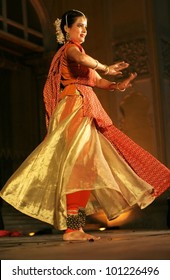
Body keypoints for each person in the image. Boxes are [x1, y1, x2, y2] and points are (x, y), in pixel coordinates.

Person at [0, 9, 170, 241]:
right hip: (73, 108)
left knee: (85, 168)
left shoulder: (81, 54)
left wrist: (116, 85)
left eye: (86, 27)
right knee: (79, 165)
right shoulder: (71, 49)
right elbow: (84, 61)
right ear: (67, 29)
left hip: (84, 107)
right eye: (79, 26)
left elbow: (96, 80)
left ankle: (74, 228)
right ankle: (72, 229)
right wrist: (106, 67)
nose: (83, 31)